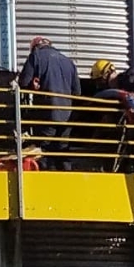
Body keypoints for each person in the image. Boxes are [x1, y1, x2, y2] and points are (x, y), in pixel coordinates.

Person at [17, 36, 79, 171]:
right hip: (67, 117)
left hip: (47, 113)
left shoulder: (36, 56)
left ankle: (46, 182)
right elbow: (77, 92)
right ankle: (66, 181)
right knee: (62, 151)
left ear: (34, 47)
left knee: (43, 151)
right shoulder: (68, 62)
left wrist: (33, 88)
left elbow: (23, 82)